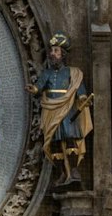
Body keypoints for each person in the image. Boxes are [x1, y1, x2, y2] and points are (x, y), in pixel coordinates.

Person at [36, 32, 92, 182]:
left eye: (56, 51)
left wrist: (83, 97)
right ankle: (61, 172)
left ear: (63, 54)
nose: (52, 54)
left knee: (71, 139)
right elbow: (39, 87)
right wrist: (34, 89)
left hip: (68, 110)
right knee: (54, 143)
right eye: (52, 51)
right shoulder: (47, 73)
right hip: (52, 111)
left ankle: (73, 170)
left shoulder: (72, 72)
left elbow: (78, 87)